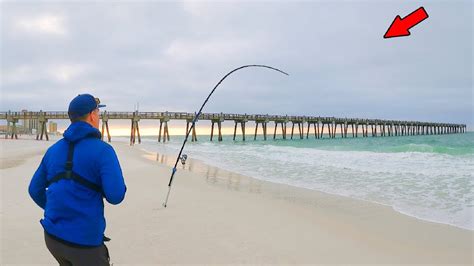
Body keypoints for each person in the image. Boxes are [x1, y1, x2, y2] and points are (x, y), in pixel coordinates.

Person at [29, 94, 127, 265]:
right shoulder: (104, 151)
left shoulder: (53, 150)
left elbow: (34, 190)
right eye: (98, 111)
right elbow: (116, 196)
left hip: (53, 237)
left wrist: (59, 209)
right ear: (92, 115)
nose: (99, 116)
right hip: (85, 245)